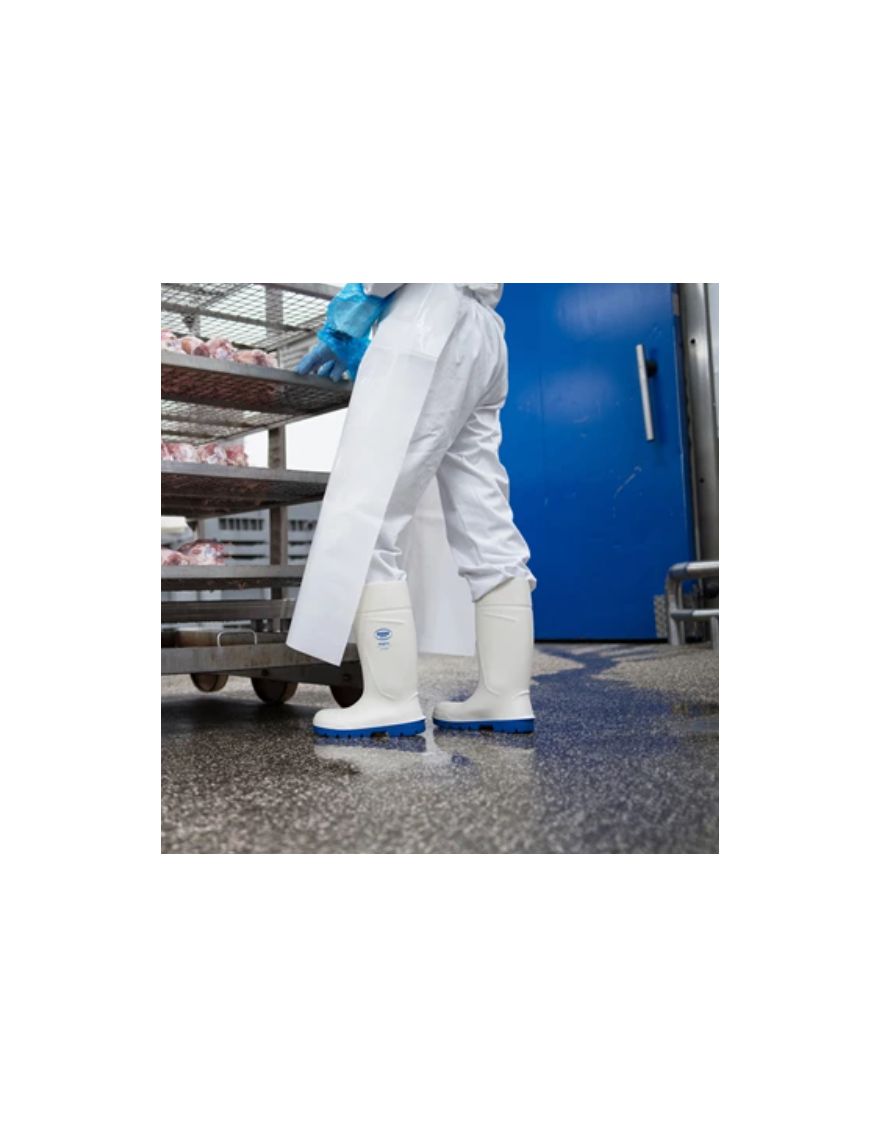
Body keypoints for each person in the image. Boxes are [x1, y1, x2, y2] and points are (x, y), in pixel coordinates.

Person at [289, 283, 536, 737]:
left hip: (428, 320)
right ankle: (506, 694)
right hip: (484, 333)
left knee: (368, 515)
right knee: (485, 518)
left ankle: (389, 700)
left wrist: (356, 308)